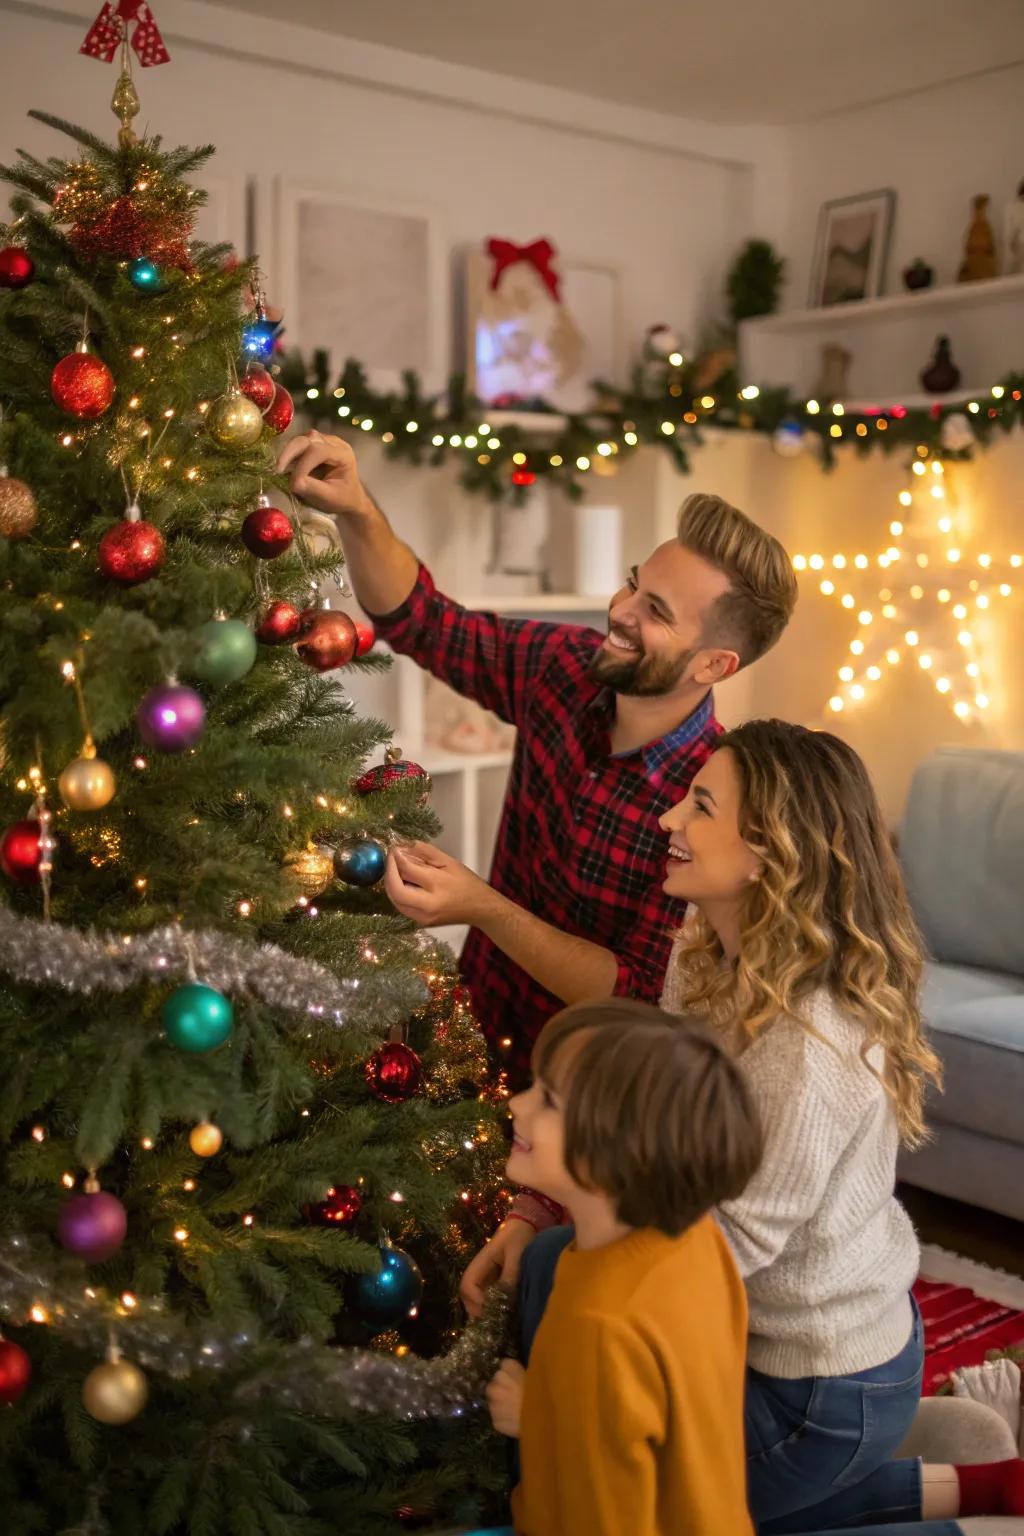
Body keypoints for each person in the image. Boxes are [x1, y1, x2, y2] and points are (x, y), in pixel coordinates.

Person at [466, 721, 1024, 1532]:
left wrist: (557, 1414)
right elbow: (650, 1125)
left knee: (665, 1505)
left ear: (769, 852)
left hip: (816, 1385)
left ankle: (930, 1489)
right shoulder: (705, 944)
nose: (667, 822)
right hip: (748, 1328)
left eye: (700, 807)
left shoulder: (810, 1045)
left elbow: (721, 1254)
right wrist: (538, 1212)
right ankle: (957, 1476)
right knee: (551, 1263)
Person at [278, 430, 797, 1088]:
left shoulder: (707, 799)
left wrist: (483, 907)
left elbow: (633, 991)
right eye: (634, 585)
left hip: (579, 1102)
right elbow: (424, 621)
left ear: (715, 665)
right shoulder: (565, 669)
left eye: (656, 612)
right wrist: (355, 506)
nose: (619, 609)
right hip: (472, 1041)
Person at [484, 996, 763, 1536]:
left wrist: (537, 1420)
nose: (517, 1104)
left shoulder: (600, 1327)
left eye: (548, 1101)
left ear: (619, 1150)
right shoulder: (697, 1237)